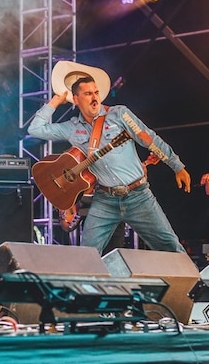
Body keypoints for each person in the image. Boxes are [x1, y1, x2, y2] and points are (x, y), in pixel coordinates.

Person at [28, 62, 191, 254]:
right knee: (87, 254)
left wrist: (177, 166)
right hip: (105, 199)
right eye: (88, 94)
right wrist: (56, 101)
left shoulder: (119, 114)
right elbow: (35, 129)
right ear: (76, 99)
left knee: (171, 246)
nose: (94, 97)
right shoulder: (71, 127)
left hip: (138, 196)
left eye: (96, 92)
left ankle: (191, 275)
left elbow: (149, 139)